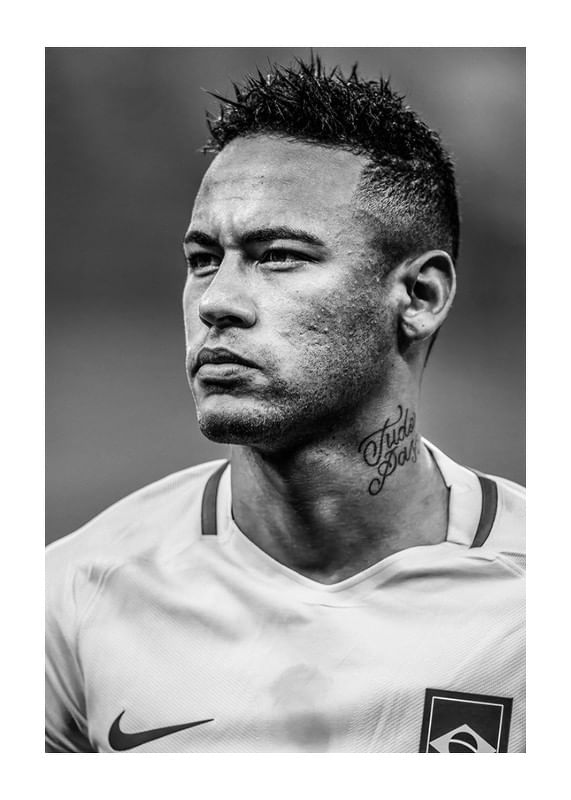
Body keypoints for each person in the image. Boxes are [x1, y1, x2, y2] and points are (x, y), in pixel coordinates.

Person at [45, 57, 525, 753]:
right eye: (203, 259)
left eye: (277, 255)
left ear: (419, 296)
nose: (216, 302)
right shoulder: (71, 596)